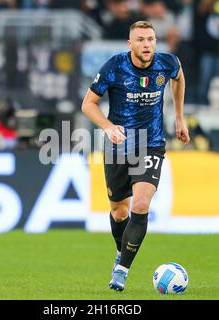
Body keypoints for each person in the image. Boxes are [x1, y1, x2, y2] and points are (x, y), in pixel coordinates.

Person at [81, 20, 190, 291]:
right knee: (119, 213)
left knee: (140, 205)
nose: (147, 45)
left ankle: (121, 270)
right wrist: (108, 127)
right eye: (140, 40)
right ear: (130, 44)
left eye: (151, 39)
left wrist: (179, 117)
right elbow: (88, 104)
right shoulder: (114, 67)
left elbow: (178, 76)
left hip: (151, 144)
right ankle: (122, 252)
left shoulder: (167, 62)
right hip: (119, 146)